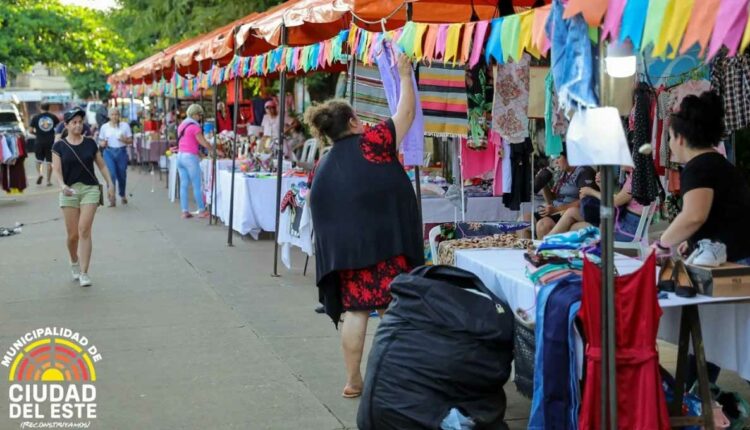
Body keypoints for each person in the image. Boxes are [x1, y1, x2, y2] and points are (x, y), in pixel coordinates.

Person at [306, 54, 424, 399]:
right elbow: (406, 114)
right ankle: (398, 376)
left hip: (347, 252)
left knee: (357, 310)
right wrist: (405, 75)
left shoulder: (324, 163)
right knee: (392, 309)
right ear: (355, 121)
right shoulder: (373, 142)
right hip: (385, 244)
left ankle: (353, 381)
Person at [655, 91, 750, 264]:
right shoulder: (719, 164)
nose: (669, 144)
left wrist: (661, 244)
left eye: (670, 137)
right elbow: (719, 213)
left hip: (735, 263)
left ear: (681, 139)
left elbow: (694, 216)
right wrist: (690, 240)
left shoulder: (698, 168)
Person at [51, 107, 115, 287]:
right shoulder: (59, 146)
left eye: (80, 122)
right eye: (74, 122)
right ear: (66, 125)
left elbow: (101, 166)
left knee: (84, 229)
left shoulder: (90, 143)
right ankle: (74, 261)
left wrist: (109, 183)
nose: (78, 125)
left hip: (90, 189)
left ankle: (85, 272)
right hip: (69, 191)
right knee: (72, 236)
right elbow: (56, 169)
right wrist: (62, 185)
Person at [547, 168, 647, 238]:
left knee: (574, 227)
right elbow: (616, 199)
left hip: (626, 229)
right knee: (572, 212)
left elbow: (614, 202)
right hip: (621, 220)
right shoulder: (634, 176)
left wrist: (591, 191)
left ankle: (546, 245)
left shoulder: (636, 179)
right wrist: (601, 186)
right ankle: (546, 243)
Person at [521, 150, 596, 238]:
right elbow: (552, 199)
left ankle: (543, 251)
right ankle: (527, 250)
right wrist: (543, 183)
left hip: (567, 212)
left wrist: (556, 209)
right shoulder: (562, 172)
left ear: (569, 157)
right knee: (524, 220)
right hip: (556, 209)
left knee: (543, 225)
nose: (556, 162)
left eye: (558, 158)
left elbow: (584, 201)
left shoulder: (584, 171)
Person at [176, 104, 213, 219]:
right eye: (199, 115)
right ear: (194, 114)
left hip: (180, 156)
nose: (200, 117)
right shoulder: (194, 127)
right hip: (190, 158)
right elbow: (203, 142)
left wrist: (200, 153)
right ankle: (202, 210)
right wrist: (213, 150)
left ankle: (184, 211)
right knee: (197, 185)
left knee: (184, 184)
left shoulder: (182, 125)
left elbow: (188, 142)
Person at [98, 107, 133, 206]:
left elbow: (131, 140)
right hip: (109, 152)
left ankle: (122, 194)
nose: (114, 116)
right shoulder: (104, 127)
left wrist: (124, 140)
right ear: (108, 116)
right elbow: (100, 141)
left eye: (116, 114)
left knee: (122, 175)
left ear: (119, 116)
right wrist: (102, 143)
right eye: (112, 114)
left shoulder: (125, 126)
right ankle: (111, 198)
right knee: (111, 175)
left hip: (121, 152)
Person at [29, 102, 60, 186]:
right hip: (50, 142)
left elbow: (30, 131)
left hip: (39, 141)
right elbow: (59, 129)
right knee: (49, 162)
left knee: (39, 160)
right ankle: (48, 181)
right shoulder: (53, 117)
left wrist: (37, 134)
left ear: (40, 108)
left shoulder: (35, 117)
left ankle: (40, 174)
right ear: (49, 108)